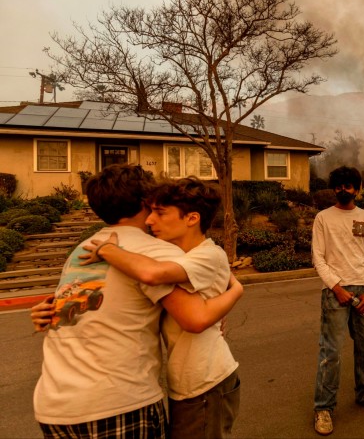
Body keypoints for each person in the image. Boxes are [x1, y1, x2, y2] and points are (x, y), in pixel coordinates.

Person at [30, 165, 240, 438]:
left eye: (160, 211)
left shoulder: (84, 248)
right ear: (145, 202)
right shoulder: (156, 252)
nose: (153, 218)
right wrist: (236, 291)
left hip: (53, 403)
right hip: (114, 402)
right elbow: (196, 316)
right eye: (153, 208)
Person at [311, 166, 364, 436]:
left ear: (357, 189)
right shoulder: (323, 218)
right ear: (335, 188)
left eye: (348, 186)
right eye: (339, 185)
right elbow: (318, 257)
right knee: (330, 351)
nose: (343, 190)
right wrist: (337, 287)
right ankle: (323, 407)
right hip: (335, 292)